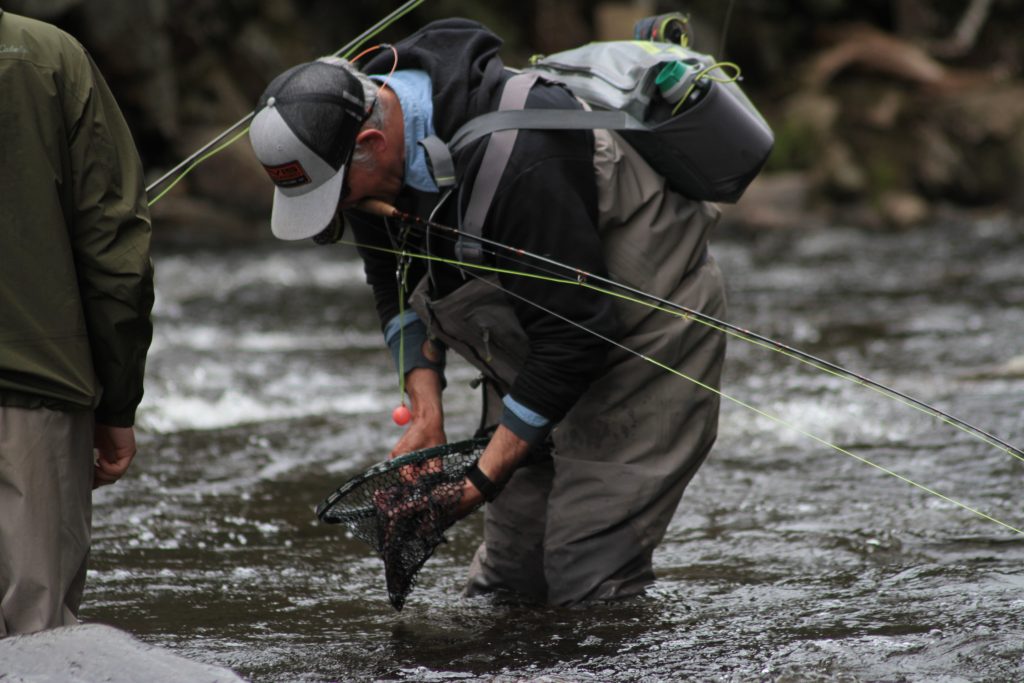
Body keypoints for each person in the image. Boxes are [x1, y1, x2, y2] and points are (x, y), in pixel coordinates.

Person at [249, 18, 726, 606]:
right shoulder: (362, 162)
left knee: (588, 575)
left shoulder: (519, 156)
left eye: (337, 196)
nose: (338, 213)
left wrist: (478, 481)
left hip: (647, 338)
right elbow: (391, 280)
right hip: (537, 339)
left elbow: (576, 337)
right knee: (507, 580)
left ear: (372, 144)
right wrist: (426, 407)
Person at [0, 9, 154, 635]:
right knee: (36, 643)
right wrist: (117, 404)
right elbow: (116, 250)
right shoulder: (52, 56)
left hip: (39, 385)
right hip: (37, 393)